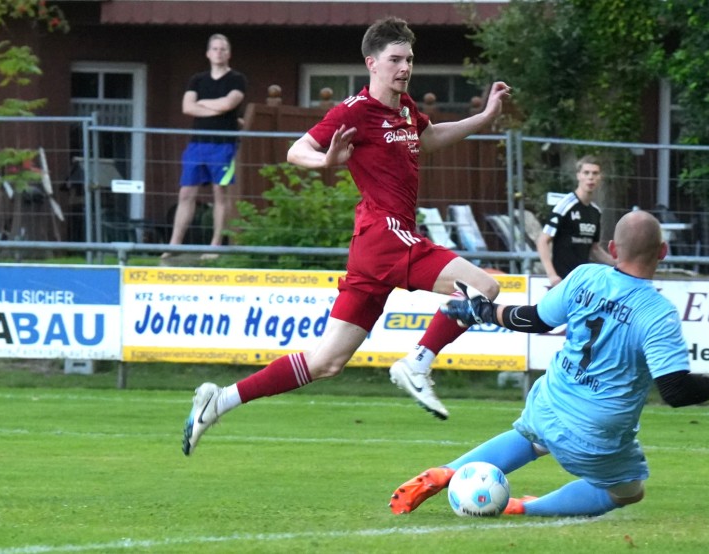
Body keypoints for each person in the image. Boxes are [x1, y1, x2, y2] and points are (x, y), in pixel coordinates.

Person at [181, 17, 512, 456]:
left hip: (374, 248)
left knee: (326, 362)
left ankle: (219, 400)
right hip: (384, 235)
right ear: (371, 63)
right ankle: (417, 362)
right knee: (484, 285)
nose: (404, 67)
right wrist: (327, 161)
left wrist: (486, 116)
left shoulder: (406, 108)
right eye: (395, 59)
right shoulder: (354, 110)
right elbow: (296, 150)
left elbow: (429, 139)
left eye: (409, 59)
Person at [389, 211, 709, 517]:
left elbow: (534, 319)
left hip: (551, 401)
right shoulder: (657, 314)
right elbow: (675, 391)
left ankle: (446, 472)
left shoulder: (585, 276)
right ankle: (525, 507)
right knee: (627, 491)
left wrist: (484, 310)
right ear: (663, 251)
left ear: (612, 248)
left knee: (531, 437)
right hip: (597, 433)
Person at [165, 33, 247, 260]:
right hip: (197, 144)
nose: (219, 52)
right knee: (186, 193)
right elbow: (187, 107)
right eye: (215, 49)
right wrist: (214, 108)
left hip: (224, 145)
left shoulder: (236, 79)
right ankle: (174, 244)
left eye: (223, 49)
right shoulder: (197, 80)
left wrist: (202, 103)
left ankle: (215, 245)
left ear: (228, 53)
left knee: (219, 193)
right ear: (208, 53)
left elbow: (229, 103)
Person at [536, 155, 615, 286]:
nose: (591, 177)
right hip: (562, 281)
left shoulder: (595, 212)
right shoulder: (565, 205)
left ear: (600, 178)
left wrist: (616, 263)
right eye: (586, 173)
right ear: (578, 175)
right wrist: (552, 275)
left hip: (582, 281)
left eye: (595, 173)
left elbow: (594, 249)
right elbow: (543, 240)